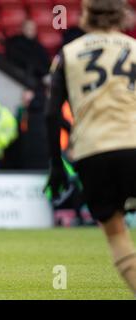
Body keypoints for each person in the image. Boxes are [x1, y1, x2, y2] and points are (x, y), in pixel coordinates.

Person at [45, 0, 136, 296]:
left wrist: (56, 165)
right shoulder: (133, 48)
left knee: (115, 230)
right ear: (123, 14)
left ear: (86, 15)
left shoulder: (68, 54)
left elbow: (50, 113)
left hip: (93, 151)